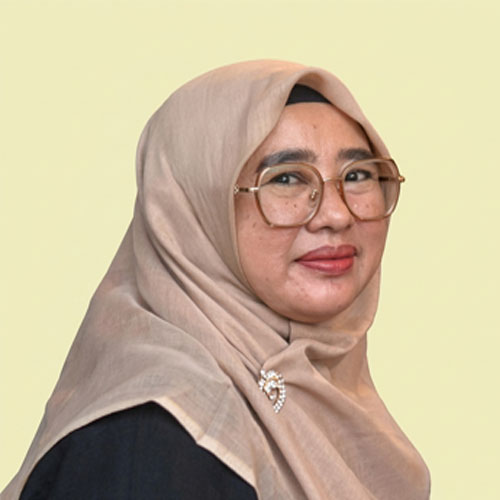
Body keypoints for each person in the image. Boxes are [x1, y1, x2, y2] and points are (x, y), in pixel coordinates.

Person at [1, 60, 430, 499]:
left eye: (357, 175)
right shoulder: (155, 439)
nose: (337, 214)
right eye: (285, 178)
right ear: (194, 209)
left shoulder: (322, 393)